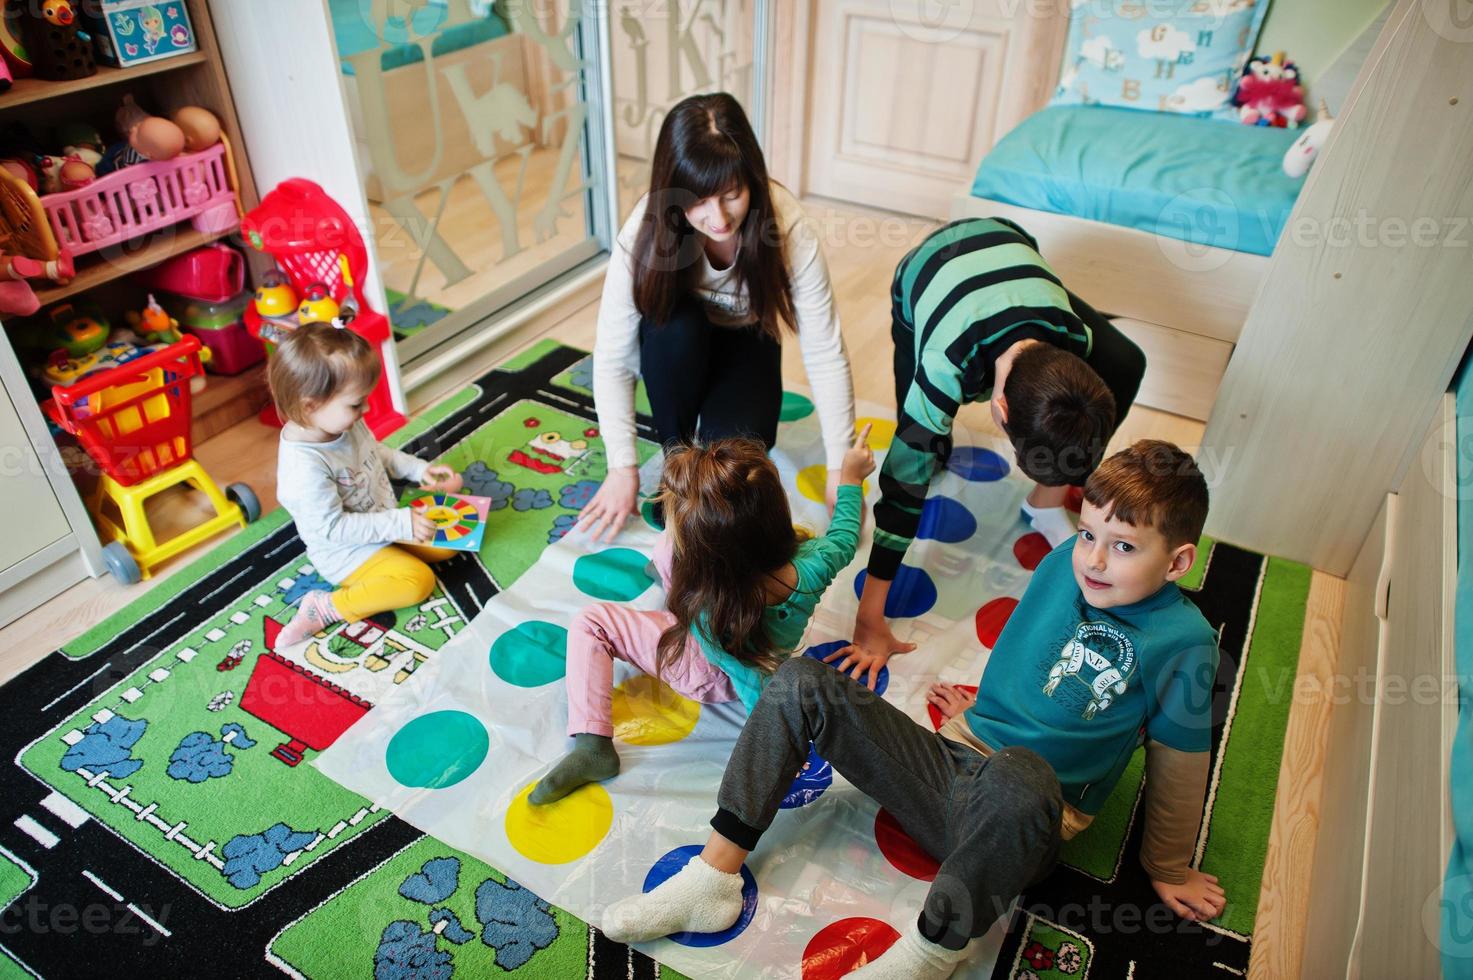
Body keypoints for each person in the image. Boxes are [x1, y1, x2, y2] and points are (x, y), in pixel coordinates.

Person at [601, 441, 1222, 979]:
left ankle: (927, 956)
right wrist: (980, 709)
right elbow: (1034, 651)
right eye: (1088, 534)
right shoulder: (1065, 564)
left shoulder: (1185, 641)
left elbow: (1183, 759)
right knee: (798, 680)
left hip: (1025, 822)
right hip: (951, 761)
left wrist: (1166, 866)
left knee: (1022, 774)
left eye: (1123, 547)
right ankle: (713, 879)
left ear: (1177, 562)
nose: (1093, 558)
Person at [835, 216, 1147, 686]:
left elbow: (1104, 385)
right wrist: (868, 619)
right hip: (924, 271)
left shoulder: (1075, 339)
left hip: (1009, 240)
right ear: (998, 406)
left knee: (1125, 360)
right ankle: (1021, 479)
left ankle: (1042, 501)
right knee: (925, 451)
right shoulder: (945, 367)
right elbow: (900, 491)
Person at [531, 429, 875, 805]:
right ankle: (683, 525)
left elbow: (752, 685)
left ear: (706, 558)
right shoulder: (818, 559)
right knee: (671, 541)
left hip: (702, 674)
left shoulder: (708, 611)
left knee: (591, 621)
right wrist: (851, 478)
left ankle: (592, 746)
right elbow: (844, 531)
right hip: (741, 648)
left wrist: (779, 744)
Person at [581, 92, 855, 542]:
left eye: (732, 195)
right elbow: (612, 357)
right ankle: (675, 462)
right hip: (676, 343)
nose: (719, 218)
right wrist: (622, 468)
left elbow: (825, 350)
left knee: (736, 473)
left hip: (747, 341)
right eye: (698, 202)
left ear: (753, 180)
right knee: (677, 330)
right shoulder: (644, 232)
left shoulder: (788, 229)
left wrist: (839, 470)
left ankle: (709, 445)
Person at [269, 323, 463, 648]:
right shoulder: (303, 469)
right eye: (356, 404)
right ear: (310, 406)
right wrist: (401, 523)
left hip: (381, 522)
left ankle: (400, 542)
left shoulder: (339, 425)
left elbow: (374, 451)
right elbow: (333, 528)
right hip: (347, 552)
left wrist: (419, 471)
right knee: (417, 581)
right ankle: (327, 607)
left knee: (450, 538)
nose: (367, 410)